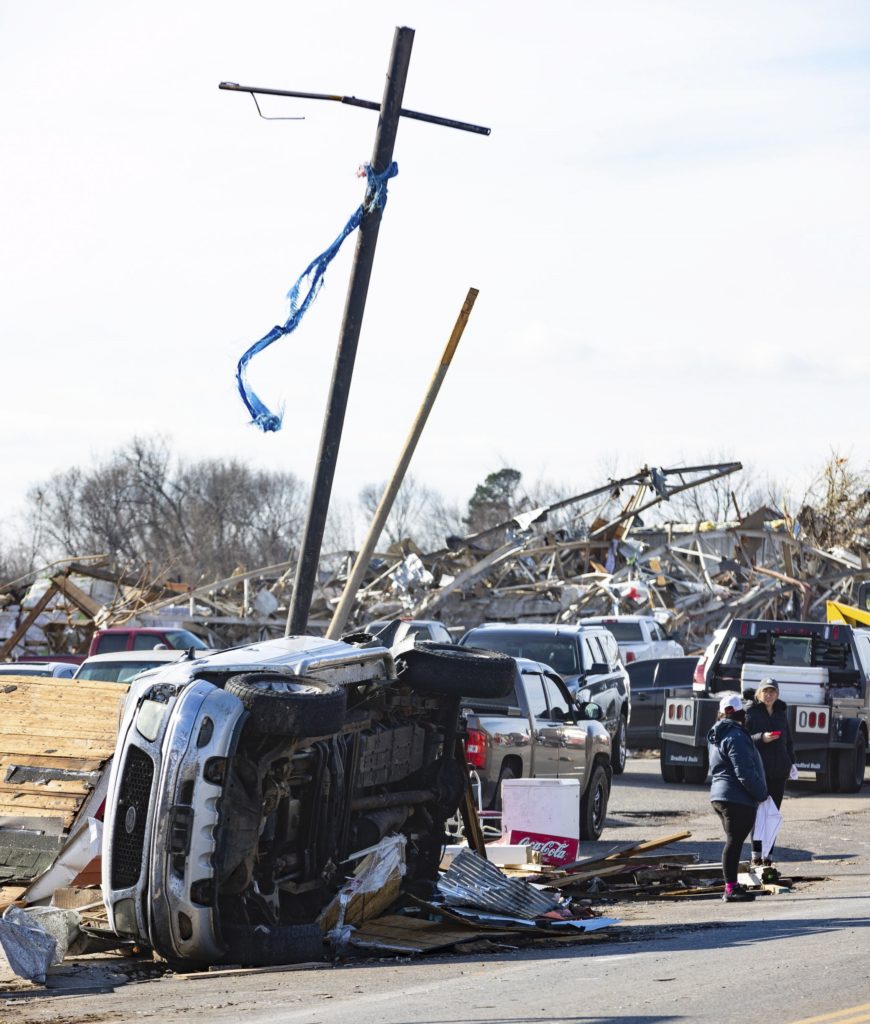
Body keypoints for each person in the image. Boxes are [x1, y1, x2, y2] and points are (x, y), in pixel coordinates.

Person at [708, 693, 769, 902]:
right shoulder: (736, 736)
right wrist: (761, 793)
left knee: (733, 841)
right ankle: (730, 889)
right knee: (734, 842)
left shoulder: (717, 734)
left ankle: (731, 885)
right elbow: (744, 771)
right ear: (741, 713)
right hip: (736, 797)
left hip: (720, 795)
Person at [745, 677, 795, 866]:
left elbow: (789, 740)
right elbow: (744, 739)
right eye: (765, 691)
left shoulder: (781, 712)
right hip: (759, 772)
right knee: (758, 814)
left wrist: (791, 762)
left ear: (777, 694)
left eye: (772, 691)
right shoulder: (751, 712)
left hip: (779, 772)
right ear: (759, 693)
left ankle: (768, 856)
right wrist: (761, 738)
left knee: (772, 815)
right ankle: (756, 854)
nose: (768, 695)